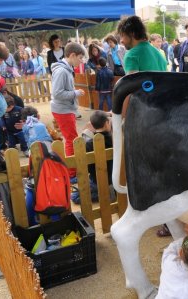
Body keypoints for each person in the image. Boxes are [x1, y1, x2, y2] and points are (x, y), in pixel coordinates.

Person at [50, 42, 86, 179]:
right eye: (80, 58)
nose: (81, 61)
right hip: (63, 109)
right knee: (71, 140)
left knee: (71, 138)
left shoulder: (66, 69)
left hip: (65, 109)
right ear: (72, 55)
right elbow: (58, 93)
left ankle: (71, 171)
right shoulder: (62, 71)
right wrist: (75, 93)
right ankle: (71, 174)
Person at [72, 110, 114, 204]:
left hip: (96, 180)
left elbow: (86, 167)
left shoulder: (89, 144)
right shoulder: (114, 139)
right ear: (107, 123)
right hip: (115, 178)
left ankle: (104, 194)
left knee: (74, 196)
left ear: (92, 125)